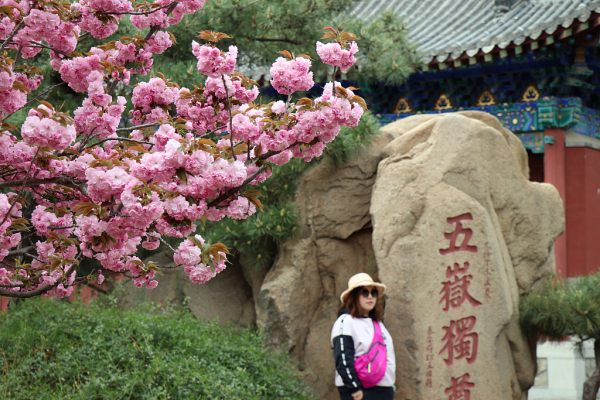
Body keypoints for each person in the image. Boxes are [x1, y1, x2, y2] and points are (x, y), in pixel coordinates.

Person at [331, 273, 396, 400]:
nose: (370, 296)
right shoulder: (345, 322)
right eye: (365, 292)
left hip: (383, 391)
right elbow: (343, 358)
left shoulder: (377, 323)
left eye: (374, 293)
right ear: (354, 296)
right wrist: (355, 390)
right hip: (362, 391)